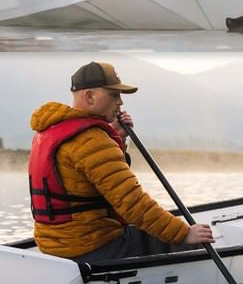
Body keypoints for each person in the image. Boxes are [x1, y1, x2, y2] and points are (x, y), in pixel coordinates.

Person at [29, 62, 215, 262]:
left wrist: (117, 137)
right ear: (90, 96)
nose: (120, 102)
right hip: (93, 246)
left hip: (56, 245)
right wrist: (184, 233)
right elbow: (132, 202)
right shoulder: (92, 140)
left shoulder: (50, 130)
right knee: (194, 243)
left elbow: (93, 177)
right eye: (113, 95)